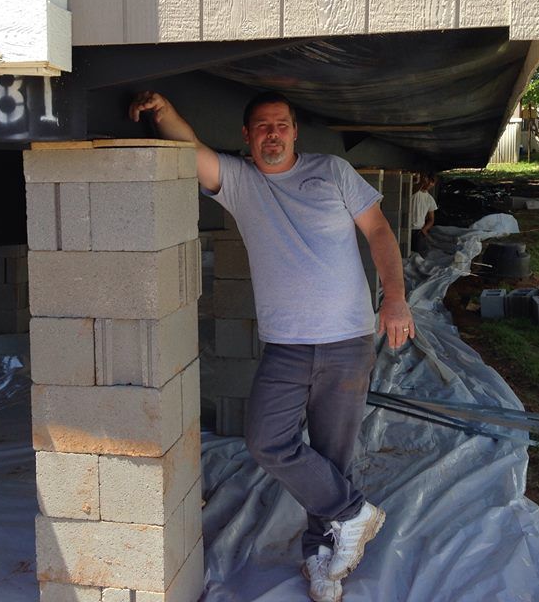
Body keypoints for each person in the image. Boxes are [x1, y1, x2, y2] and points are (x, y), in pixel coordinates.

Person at [129, 90, 416, 602]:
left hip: (347, 341)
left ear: (294, 131)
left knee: (332, 457)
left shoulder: (331, 171)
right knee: (266, 441)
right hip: (286, 346)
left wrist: (395, 298)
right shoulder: (240, 182)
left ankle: (321, 558)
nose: (273, 134)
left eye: (281, 125)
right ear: (247, 136)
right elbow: (192, 150)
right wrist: (164, 113)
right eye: (262, 126)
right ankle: (353, 514)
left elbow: (378, 231)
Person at [410, 172, 438, 257]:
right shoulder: (413, 191)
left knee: (418, 257)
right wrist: (421, 182)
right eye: (429, 180)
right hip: (406, 229)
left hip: (419, 231)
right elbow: (414, 189)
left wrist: (424, 230)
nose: (430, 183)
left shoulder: (430, 199)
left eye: (432, 182)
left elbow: (431, 219)